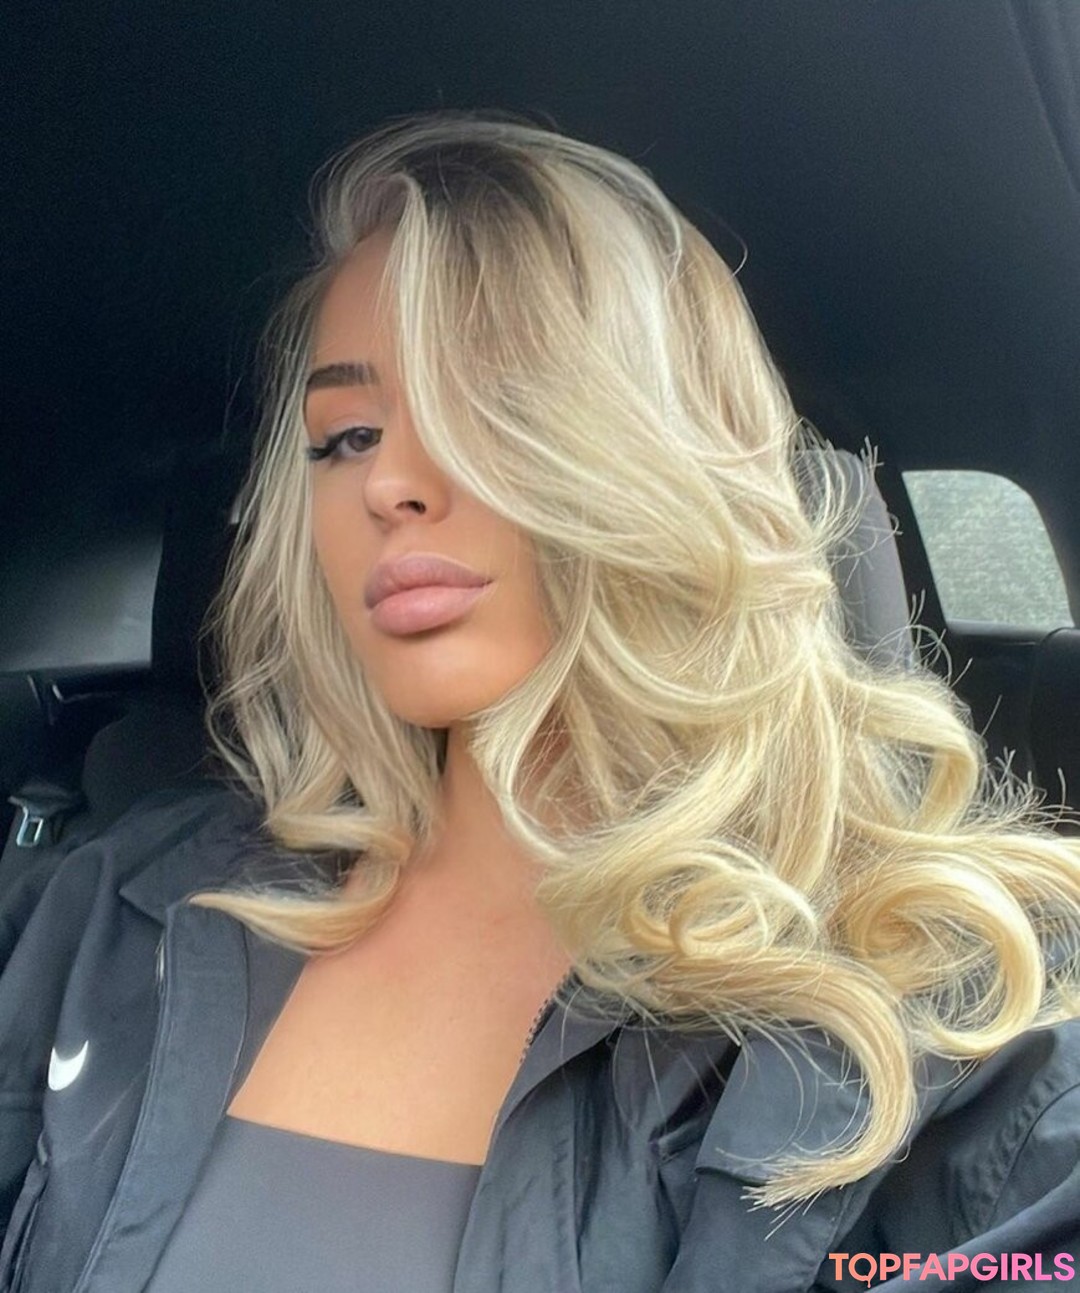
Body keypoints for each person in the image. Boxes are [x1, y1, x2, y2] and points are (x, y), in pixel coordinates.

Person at [1, 109, 1078, 1293]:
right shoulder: (104, 918)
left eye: (489, 403)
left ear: (659, 451)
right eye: (346, 436)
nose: (390, 483)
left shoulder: (947, 1018)